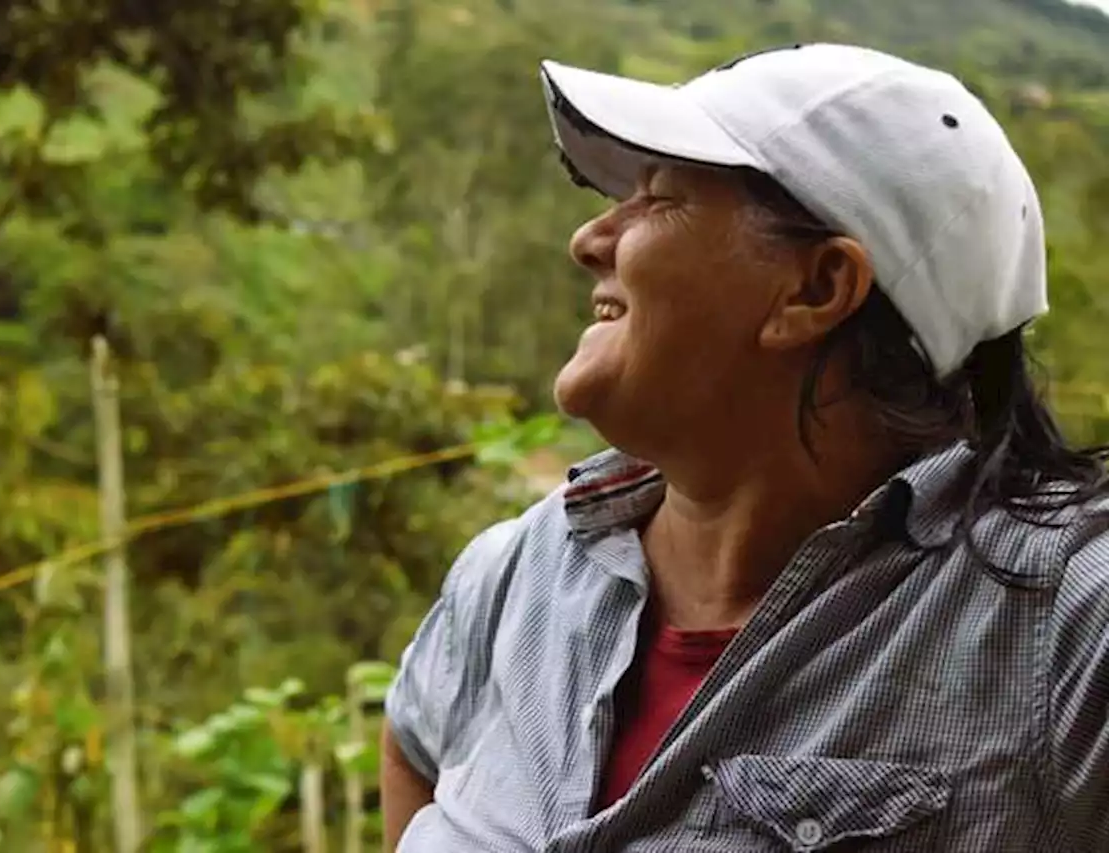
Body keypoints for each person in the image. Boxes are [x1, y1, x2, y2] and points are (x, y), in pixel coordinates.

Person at [380, 43, 1109, 852]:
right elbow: (412, 742)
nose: (591, 238)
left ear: (816, 289)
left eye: (657, 199)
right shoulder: (517, 572)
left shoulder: (1067, 626)